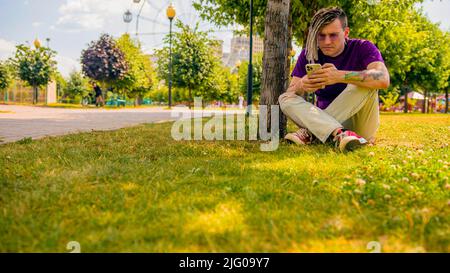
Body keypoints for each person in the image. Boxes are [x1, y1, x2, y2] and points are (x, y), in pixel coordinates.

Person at [279, 7, 390, 152]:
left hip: (359, 122)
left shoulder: (363, 47)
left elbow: (382, 78)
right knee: (285, 98)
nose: (327, 41)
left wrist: (339, 76)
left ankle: (311, 133)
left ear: (346, 33)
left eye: (333, 35)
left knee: (364, 82)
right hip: (323, 122)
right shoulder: (309, 53)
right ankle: (339, 133)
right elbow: (291, 93)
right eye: (321, 36)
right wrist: (302, 84)